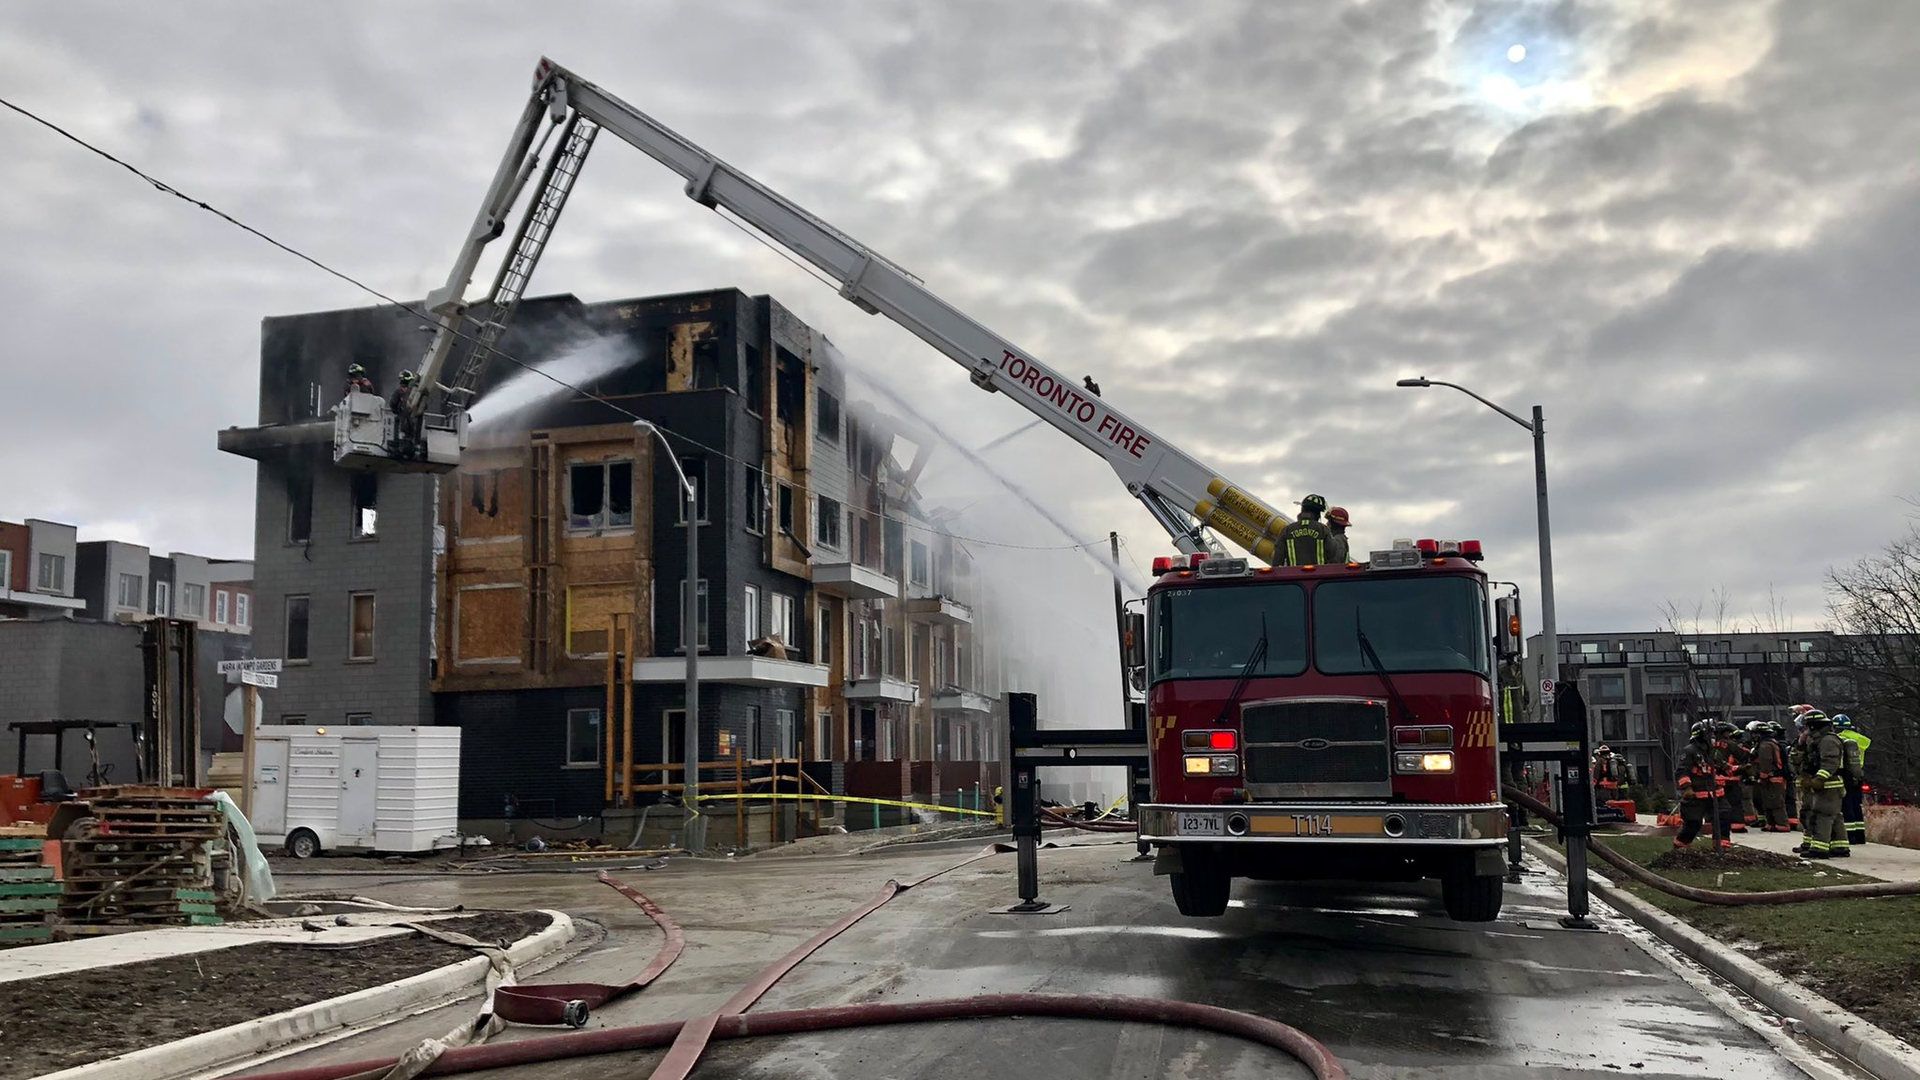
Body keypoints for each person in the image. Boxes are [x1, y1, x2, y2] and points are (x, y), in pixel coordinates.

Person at [1798, 711, 1849, 859]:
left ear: (1814, 726)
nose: (1806, 730)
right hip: (1829, 784)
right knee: (1834, 815)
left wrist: (1819, 779)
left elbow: (1830, 762)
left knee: (1822, 816)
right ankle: (1840, 847)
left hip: (1829, 784)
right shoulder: (1820, 740)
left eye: (1808, 726)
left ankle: (1819, 849)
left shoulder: (1828, 740)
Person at [1674, 720, 1730, 850]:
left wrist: (1743, 769)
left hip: (1715, 794)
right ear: (1701, 735)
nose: (1712, 736)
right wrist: (1687, 788)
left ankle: (1721, 848)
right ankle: (1680, 847)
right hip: (1696, 796)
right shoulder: (1690, 751)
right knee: (1693, 823)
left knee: (1723, 817)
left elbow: (1723, 767)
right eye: (1710, 733)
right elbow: (1682, 771)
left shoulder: (1712, 751)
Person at [1834, 715, 1871, 846]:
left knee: (1846, 804)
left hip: (1845, 774)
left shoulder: (1839, 738)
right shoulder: (1860, 739)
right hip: (1859, 774)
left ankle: (1851, 837)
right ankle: (1861, 837)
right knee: (1856, 805)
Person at [1750, 721, 1792, 831]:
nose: (1753, 736)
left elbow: (1766, 762)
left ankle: (1782, 824)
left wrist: (1762, 776)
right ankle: (1771, 824)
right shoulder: (1770, 743)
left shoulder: (1765, 745)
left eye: (1755, 733)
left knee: (1776, 802)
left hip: (1772, 778)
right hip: (1771, 778)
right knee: (1768, 802)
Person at [1712, 720, 1750, 834]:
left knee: (1718, 805)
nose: (1730, 735)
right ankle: (1737, 826)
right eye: (1728, 732)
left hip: (1715, 780)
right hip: (1731, 778)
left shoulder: (1709, 745)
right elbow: (1743, 756)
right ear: (1724, 733)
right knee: (1735, 803)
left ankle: (1716, 825)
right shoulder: (1731, 744)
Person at [1277, 494, 1334, 566]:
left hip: (1294, 575)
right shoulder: (1323, 530)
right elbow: (1333, 555)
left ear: (1302, 509)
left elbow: (1278, 559)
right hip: (1320, 575)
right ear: (1318, 514)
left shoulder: (1287, 530)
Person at [1592, 744, 1621, 810]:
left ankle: (1607, 815)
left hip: (1604, 785)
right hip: (1614, 785)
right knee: (1614, 802)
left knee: (1605, 803)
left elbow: (1596, 773)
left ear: (1600, 753)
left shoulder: (1600, 761)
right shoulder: (1614, 761)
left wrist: (1594, 784)